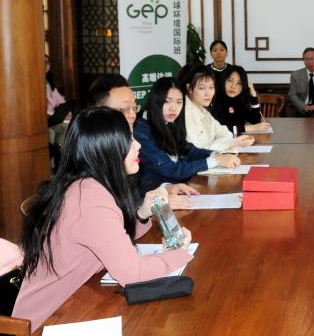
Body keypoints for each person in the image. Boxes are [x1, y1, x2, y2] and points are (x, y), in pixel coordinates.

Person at [12, 108, 195, 331]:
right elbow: (132, 274)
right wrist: (180, 254)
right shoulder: (89, 198)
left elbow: (109, 236)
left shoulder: (85, 184)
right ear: (106, 148)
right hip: (45, 323)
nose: (138, 145)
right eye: (129, 139)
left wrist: (141, 213)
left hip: (69, 306)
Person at [87, 74, 199, 209]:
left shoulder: (131, 137)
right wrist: (148, 208)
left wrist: (166, 188)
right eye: (123, 110)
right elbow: (117, 210)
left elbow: (138, 187)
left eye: (134, 108)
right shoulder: (92, 162)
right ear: (98, 112)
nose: (132, 115)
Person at [135, 77, 239, 193]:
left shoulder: (168, 123)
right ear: (155, 101)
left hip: (176, 189)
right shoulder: (141, 130)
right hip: (153, 196)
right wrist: (215, 161)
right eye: (167, 101)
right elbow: (171, 169)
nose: (174, 108)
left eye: (179, 102)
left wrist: (217, 155)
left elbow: (189, 150)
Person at [181, 65, 254, 152]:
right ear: (189, 88)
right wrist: (232, 143)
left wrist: (232, 142)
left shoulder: (202, 109)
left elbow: (225, 133)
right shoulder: (185, 113)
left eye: (211, 87)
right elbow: (197, 151)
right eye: (202, 88)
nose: (208, 93)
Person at [211, 65, 271, 133]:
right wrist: (250, 128)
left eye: (239, 83)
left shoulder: (240, 101)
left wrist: (253, 94)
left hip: (240, 139)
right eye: (230, 80)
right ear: (223, 81)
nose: (233, 86)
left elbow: (256, 121)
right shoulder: (214, 100)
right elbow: (219, 130)